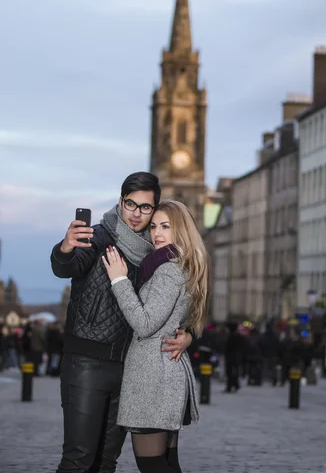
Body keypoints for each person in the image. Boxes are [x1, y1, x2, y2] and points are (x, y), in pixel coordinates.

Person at [50, 172, 192, 473]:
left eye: (145, 208)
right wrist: (64, 248)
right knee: (78, 460)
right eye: (130, 204)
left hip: (128, 369)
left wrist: (188, 333)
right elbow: (69, 266)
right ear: (120, 202)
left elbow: (169, 306)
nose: (136, 214)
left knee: (105, 462)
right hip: (87, 363)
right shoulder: (101, 236)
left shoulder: (156, 254)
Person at [103, 199, 211, 473]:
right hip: (164, 374)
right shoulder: (178, 265)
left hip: (154, 379)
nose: (157, 233)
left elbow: (145, 324)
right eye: (154, 227)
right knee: (167, 465)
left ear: (182, 230)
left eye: (166, 226)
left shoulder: (167, 271)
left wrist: (119, 280)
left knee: (152, 466)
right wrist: (186, 335)